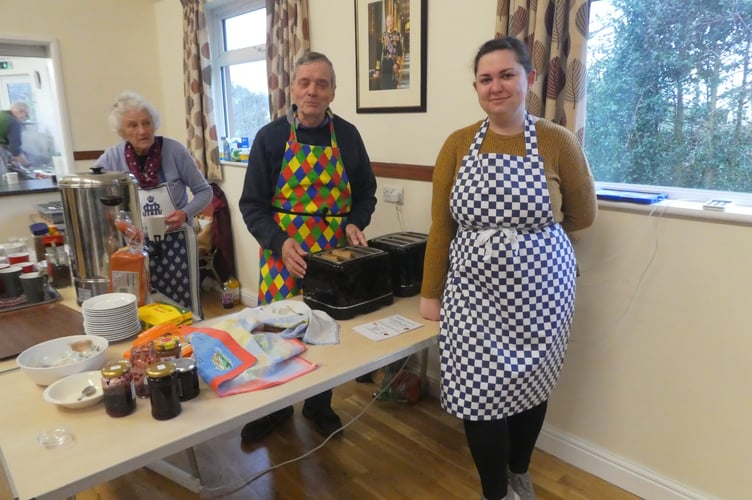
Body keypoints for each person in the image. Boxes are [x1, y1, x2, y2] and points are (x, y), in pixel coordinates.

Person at [419, 37, 597, 500]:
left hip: (543, 296)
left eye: (506, 75)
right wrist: (430, 293)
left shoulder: (557, 141)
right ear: (476, 87)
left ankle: (519, 471)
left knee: (530, 386)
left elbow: (582, 215)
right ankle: (495, 493)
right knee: (478, 402)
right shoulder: (457, 144)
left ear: (529, 79)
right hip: (473, 296)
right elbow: (441, 226)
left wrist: (535, 245)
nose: (495, 86)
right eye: (485, 78)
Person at [239, 51, 377, 442]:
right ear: (293, 89)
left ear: (333, 91)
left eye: (322, 83)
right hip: (284, 254)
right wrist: (279, 243)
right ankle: (276, 407)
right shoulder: (270, 138)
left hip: (333, 256)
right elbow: (252, 205)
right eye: (305, 82)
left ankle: (319, 404)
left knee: (324, 330)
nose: (312, 91)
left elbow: (366, 193)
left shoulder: (348, 137)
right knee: (278, 332)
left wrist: (355, 222)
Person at [95, 91, 212, 316]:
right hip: (134, 248)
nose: (142, 130)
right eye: (133, 125)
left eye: (146, 123)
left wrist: (185, 213)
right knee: (141, 306)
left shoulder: (175, 151)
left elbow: (204, 191)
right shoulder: (111, 158)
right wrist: (121, 225)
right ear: (121, 131)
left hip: (177, 244)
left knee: (183, 308)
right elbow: (98, 201)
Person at [0, 102, 31, 177]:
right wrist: (28, 165)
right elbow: (15, 149)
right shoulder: (13, 121)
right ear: (21, 111)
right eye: (27, 116)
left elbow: (5, 145)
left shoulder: (2, 115)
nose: (25, 119)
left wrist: (11, 158)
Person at [377, 15, 403, 90]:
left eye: (391, 21)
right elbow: (378, 54)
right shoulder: (383, 36)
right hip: (385, 66)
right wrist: (377, 69)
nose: (390, 23)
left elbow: (400, 52)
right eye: (388, 21)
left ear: (394, 23)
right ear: (386, 23)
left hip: (394, 66)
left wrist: (397, 64)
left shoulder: (397, 35)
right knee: (384, 87)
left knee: (393, 87)